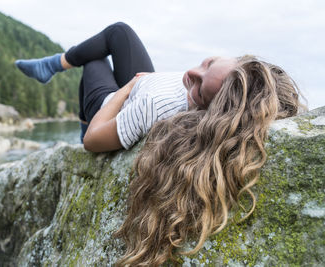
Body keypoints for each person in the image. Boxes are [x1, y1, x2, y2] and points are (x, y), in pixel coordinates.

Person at [16, 22, 303, 266]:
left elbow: (93, 142)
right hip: (145, 84)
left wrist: (127, 88)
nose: (191, 73)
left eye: (198, 89)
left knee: (94, 60)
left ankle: (60, 80)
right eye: (208, 64)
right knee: (120, 32)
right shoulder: (217, 87)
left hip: (115, 103)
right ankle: (51, 64)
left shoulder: (157, 108)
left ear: (207, 111)